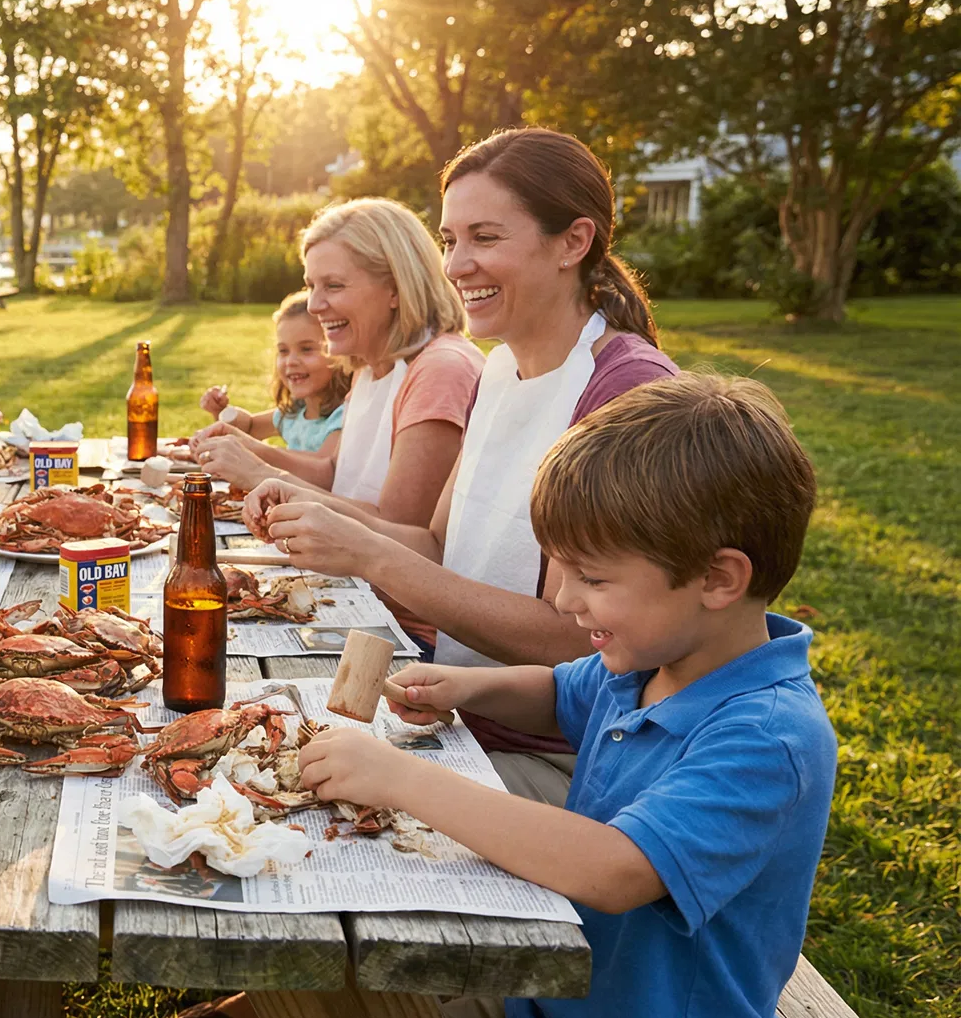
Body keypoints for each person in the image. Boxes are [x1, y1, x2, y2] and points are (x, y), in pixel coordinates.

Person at [297, 374, 833, 1018]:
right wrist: (467, 689)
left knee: (349, 1004)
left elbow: (613, 869)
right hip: (547, 1004)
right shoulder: (649, 660)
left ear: (719, 579)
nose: (565, 600)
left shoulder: (768, 737)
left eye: (594, 578)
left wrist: (398, 777)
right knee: (339, 980)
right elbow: (558, 694)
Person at [248, 128, 679, 802]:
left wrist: (370, 554)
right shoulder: (499, 368)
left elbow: (575, 637)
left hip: (565, 759)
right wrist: (315, 510)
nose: (455, 265)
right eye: (450, 241)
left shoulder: (622, 394)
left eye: (485, 237)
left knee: (291, 802)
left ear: (574, 242)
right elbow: (437, 543)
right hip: (454, 712)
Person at [192, 198, 480, 541]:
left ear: (394, 288)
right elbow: (335, 473)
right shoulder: (369, 367)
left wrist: (259, 472)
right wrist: (246, 447)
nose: (314, 306)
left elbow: (400, 531)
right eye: (311, 285)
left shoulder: (440, 370)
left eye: (333, 285)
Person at [192, 291, 353, 484]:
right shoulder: (295, 412)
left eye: (307, 349)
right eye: (283, 351)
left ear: (339, 352)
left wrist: (257, 452)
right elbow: (250, 427)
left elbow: (324, 468)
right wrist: (223, 412)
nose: (291, 361)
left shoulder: (341, 416)